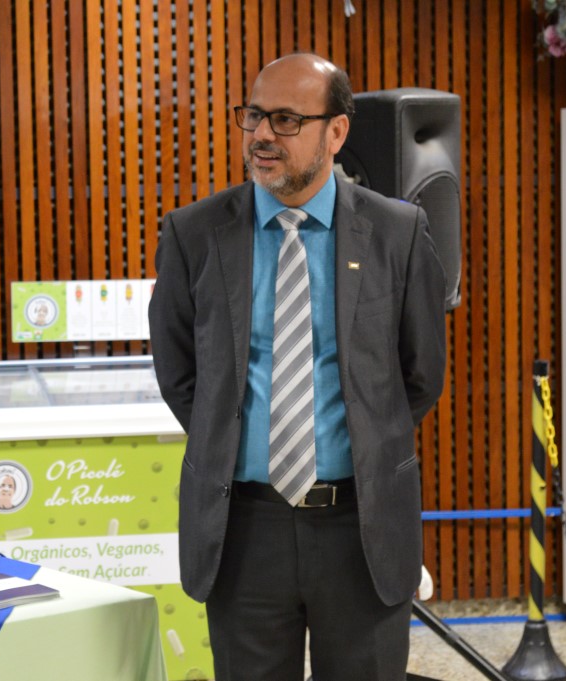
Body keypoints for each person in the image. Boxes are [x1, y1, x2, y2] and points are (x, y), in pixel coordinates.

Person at [148, 53, 446, 681]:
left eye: (285, 120)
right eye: (253, 115)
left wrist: (363, 440)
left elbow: (419, 375)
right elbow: (179, 374)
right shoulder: (194, 234)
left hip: (361, 527)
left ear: (336, 132)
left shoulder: (397, 232)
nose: (261, 134)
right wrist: (234, 439)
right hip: (243, 531)